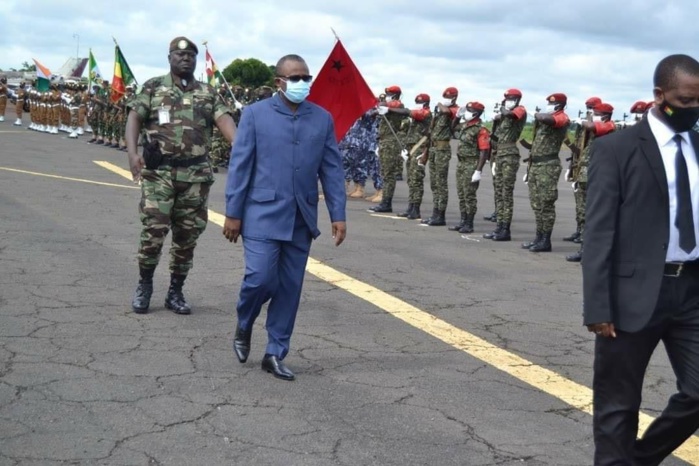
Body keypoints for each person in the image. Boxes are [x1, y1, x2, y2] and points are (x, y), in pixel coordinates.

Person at [583, 53, 699, 466]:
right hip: (630, 293)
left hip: (691, 290)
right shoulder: (617, 149)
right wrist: (598, 305)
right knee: (618, 406)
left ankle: (639, 459)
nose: (693, 110)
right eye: (685, 102)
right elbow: (598, 232)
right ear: (659, 96)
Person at [223, 54, 347, 382]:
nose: (302, 84)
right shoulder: (254, 115)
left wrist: (338, 213)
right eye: (295, 79)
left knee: (290, 288)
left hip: (301, 218)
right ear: (279, 82)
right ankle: (245, 321)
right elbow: (240, 166)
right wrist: (233, 213)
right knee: (261, 278)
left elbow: (331, 169)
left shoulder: (321, 119)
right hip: (261, 213)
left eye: (306, 78)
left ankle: (275, 352)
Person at [125, 36, 236, 315]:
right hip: (159, 173)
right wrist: (132, 153)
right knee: (154, 231)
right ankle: (145, 285)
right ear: (170, 58)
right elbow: (134, 119)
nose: (185, 59)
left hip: (195, 175)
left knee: (187, 236)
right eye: (179, 54)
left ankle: (175, 291)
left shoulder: (208, 93)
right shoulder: (153, 87)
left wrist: (241, 146)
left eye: (190, 56)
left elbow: (225, 120)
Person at [565, 102, 616, 262]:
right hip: (585, 175)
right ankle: (585, 248)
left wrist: (584, 121)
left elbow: (592, 126)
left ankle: (589, 251)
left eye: (595, 114)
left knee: (593, 215)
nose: (592, 116)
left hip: (598, 177)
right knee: (584, 212)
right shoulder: (593, 130)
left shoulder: (608, 126)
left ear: (605, 116)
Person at [521, 93, 570, 252]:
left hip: (548, 167)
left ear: (559, 105)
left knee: (546, 204)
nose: (548, 106)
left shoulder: (562, 118)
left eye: (551, 104)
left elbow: (549, 120)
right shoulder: (545, 120)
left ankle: (546, 240)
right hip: (536, 165)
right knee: (536, 203)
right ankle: (539, 237)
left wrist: (535, 114)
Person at [483, 89, 527, 241]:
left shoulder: (519, 110)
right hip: (499, 154)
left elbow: (510, 114)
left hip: (509, 155)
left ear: (517, 100)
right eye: (506, 98)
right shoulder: (504, 116)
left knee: (506, 193)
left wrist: (502, 110)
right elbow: (495, 137)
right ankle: (499, 227)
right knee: (499, 192)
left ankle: (505, 230)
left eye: (510, 98)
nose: (507, 101)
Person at [563, 96, 601, 244]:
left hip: (590, 169)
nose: (589, 111)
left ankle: (586, 235)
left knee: (587, 205)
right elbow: (577, 147)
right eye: (587, 108)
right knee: (579, 204)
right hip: (579, 167)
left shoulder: (597, 126)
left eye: (591, 108)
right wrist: (571, 168)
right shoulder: (582, 126)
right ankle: (579, 231)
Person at [419, 86, 459, 226]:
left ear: (454, 98)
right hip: (434, 148)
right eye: (444, 98)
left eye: (448, 97)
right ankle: (435, 213)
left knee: (441, 184)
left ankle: (440, 215)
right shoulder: (439, 113)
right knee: (434, 184)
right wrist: (425, 153)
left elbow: (447, 111)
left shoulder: (455, 110)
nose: (445, 100)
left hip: (442, 150)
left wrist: (441, 105)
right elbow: (431, 134)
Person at [448, 101, 490, 233]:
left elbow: (484, 151)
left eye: (469, 110)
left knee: (469, 195)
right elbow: (452, 128)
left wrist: (478, 170)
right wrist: (457, 117)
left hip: (471, 164)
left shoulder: (481, 129)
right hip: (461, 164)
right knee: (461, 194)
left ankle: (469, 223)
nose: (466, 112)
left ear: (476, 113)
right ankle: (462, 221)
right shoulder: (465, 125)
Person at [368, 85, 405, 213]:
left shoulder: (397, 105)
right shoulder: (388, 106)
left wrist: (383, 105)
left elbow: (383, 104)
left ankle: (386, 202)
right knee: (385, 173)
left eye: (389, 94)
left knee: (388, 174)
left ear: (395, 95)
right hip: (384, 141)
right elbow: (374, 112)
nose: (387, 96)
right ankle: (385, 201)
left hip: (390, 142)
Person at [394, 93, 432, 219]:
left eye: (419, 102)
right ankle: (410, 207)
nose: (417, 104)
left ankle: (416, 209)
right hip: (412, 149)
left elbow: (406, 112)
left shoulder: (426, 114)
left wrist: (389, 109)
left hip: (420, 149)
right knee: (411, 180)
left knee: (416, 180)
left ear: (426, 104)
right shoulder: (416, 116)